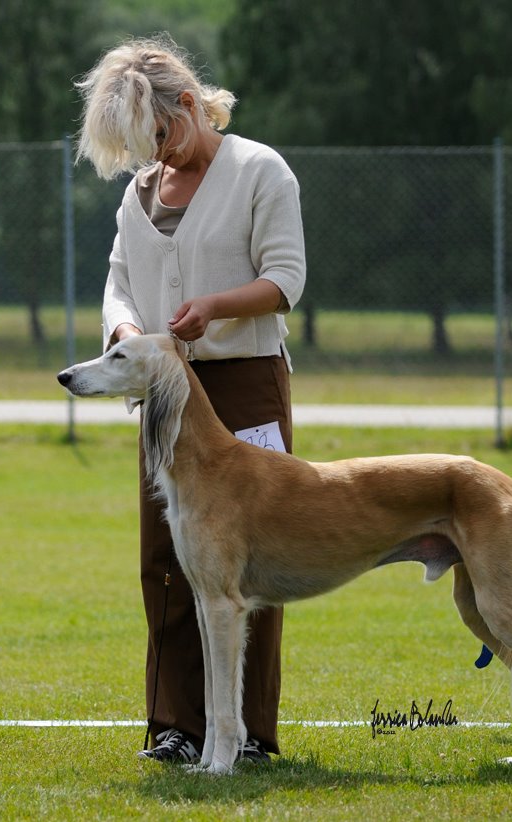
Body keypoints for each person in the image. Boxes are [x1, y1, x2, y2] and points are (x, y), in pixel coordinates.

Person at [75, 36, 306, 764]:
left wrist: (214, 307)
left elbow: (285, 280)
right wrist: (124, 331)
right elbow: (118, 282)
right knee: (167, 560)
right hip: (164, 397)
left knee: (258, 562)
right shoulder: (138, 195)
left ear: (187, 104)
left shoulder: (259, 170)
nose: (154, 156)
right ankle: (176, 726)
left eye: (159, 137)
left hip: (245, 385)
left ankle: (251, 734)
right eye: (141, 147)